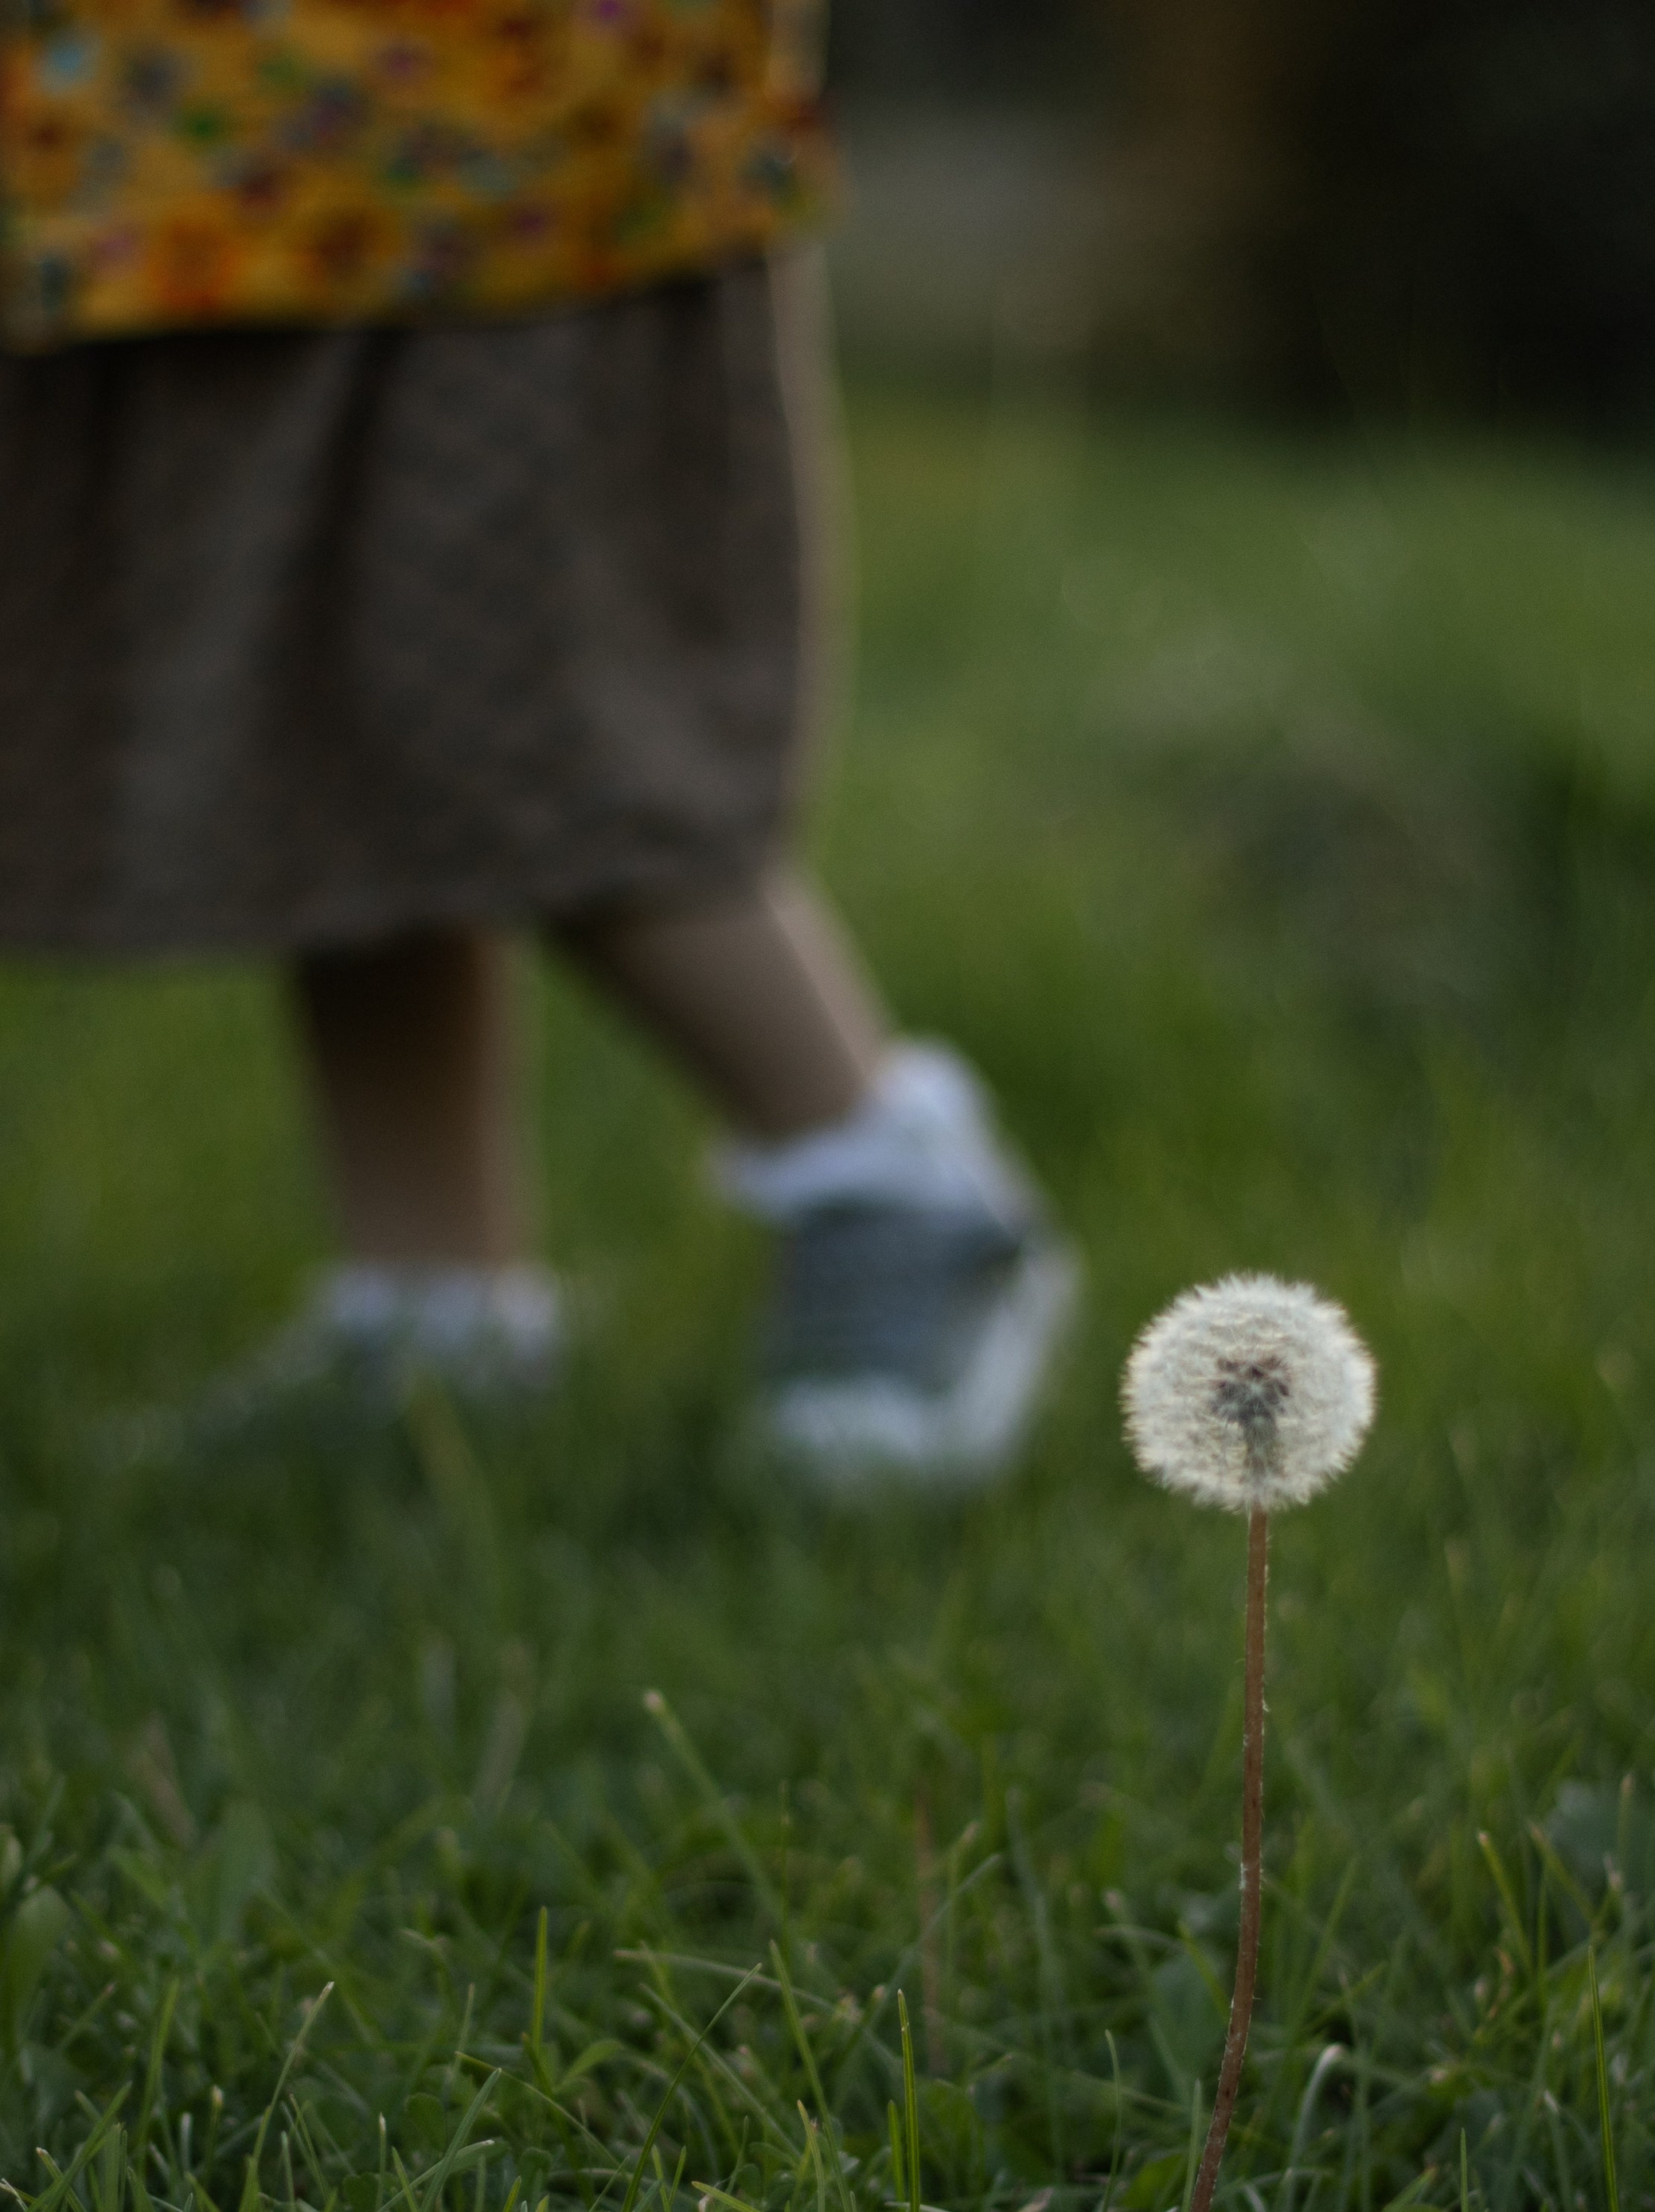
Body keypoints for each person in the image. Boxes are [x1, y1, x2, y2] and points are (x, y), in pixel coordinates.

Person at [0, 0, 1075, 1484]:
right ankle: (431, 1307)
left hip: (513, 145)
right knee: (325, 711)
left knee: (539, 721)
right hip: (220, 141)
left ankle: (893, 1188)